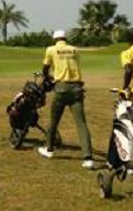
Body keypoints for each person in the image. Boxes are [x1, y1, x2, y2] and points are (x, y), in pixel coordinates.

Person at [37, 29, 96, 169]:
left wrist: (47, 78)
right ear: (65, 38)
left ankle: (49, 149)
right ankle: (88, 158)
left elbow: (45, 68)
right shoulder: (74, 49)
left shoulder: (51, 49)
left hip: (61, 88)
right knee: (81, 124)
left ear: (55, 39)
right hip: (77, 89)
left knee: (54, 120)